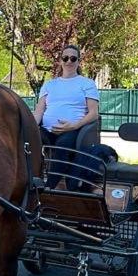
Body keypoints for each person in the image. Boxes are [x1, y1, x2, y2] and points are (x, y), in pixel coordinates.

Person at [33, 45, 99, 190]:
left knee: (62, 146)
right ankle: (28, 180)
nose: (69, 61)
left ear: (78, 62)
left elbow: (94, 113)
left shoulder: (87, 84)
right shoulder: (49, 84)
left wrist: (74, 126)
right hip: (46, 129)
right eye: (65, 58)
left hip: (73, 130)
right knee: (27, 140)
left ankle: (48, 188)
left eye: (73, 58)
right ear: (60, 61)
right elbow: (39, 111)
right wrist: (30, 129)